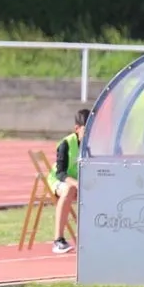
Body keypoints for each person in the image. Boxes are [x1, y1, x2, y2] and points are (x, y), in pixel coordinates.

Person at [46, 109, 88, 255]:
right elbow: (60, 173)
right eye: (86, 130)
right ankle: (58, 240)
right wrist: (76, 184)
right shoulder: (66, 144)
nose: (89, 135)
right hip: (59, 181)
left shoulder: (93, 144)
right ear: (77, 129)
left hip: (79, 183)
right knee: (69, 189)